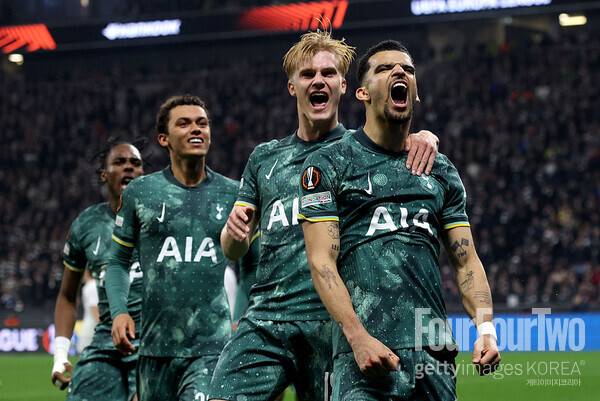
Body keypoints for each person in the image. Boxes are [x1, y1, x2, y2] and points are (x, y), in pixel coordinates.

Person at [210, 31, 439, 401]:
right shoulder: (265, 159)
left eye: (329, 73)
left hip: (331, 325)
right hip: (268, 319)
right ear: (293, 87)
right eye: (308, 74)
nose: (318, 80)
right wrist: (233, 235)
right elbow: (232, 249)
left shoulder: (362, 154)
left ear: (344, 86)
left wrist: (425, 135)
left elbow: (399, 137)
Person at [298, 40, 501, 401]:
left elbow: (466, 260)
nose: (399, 72)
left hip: (434, 357)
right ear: (362, 93)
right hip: (365, 357)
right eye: (384, 68)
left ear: (415, 92)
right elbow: (321, 261)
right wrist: (357, 338)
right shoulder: (329, 165)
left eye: (407, 69)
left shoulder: (440, 171)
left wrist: (485, 329)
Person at [105, 95, 240, 401]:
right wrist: (119, 312)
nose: (196, 129)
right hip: (155, 349)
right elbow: (117, 262)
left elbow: (253, 266)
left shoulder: (233, 193)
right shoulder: (140, 192)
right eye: (184, 123)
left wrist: (243, 317)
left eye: (202, 123)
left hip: (211, 348)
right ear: (163, 138)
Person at [51, 140, 144, 401]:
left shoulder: (163, 218)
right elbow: (67, 296)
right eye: (120, 162)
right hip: (107, 344)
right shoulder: (87, 224)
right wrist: (60, 354)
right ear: (104, 175)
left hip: (154, 342)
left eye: (135, 163)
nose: (129, 167)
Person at [76, 270, 100, 353]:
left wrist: (100, 326)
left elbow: (94, 308)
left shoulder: (91, 285)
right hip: (90, 326)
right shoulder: (90, 285)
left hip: (91, 328)